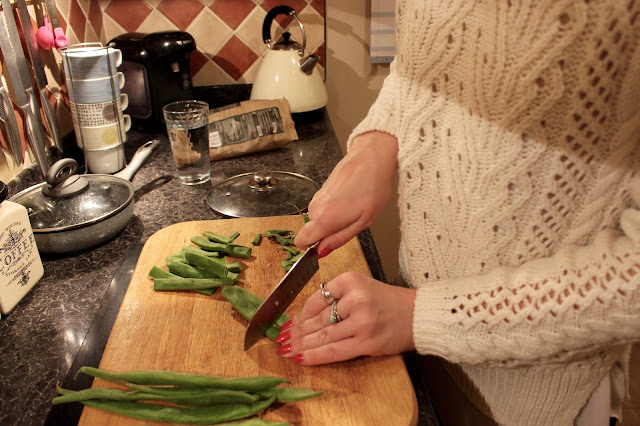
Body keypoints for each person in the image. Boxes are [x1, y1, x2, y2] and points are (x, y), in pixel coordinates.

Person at [273, 1, 640, 425]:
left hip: (529, 394)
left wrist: (424, 317)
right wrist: (377, 142)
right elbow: (421, 64)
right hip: (411, 337)